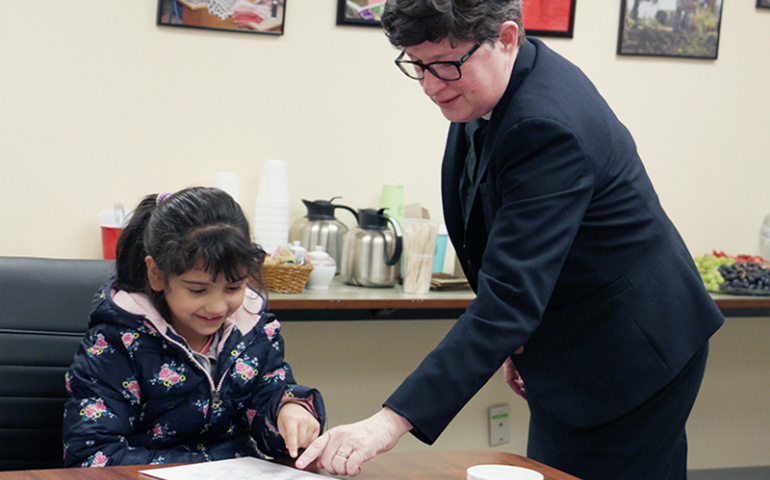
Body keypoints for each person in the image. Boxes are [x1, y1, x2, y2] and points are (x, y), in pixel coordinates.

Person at [295, 1, 724, 479]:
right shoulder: (496, 87)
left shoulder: (546, 123)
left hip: (631, 352)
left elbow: (511, 298)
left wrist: (385, 424)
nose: (432, 85)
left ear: (505, 37)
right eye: (417, 65)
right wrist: (519, 343)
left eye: (446, 65)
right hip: (574, 338)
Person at [64, 187, 325, 467]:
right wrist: (207, 468)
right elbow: (93, 457)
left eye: (234, 287)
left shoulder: (255, 332)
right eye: (198, 290)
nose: (217, 307)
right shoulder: (116, 342)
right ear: (156, 274)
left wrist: (288, 410)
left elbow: (268, 404)